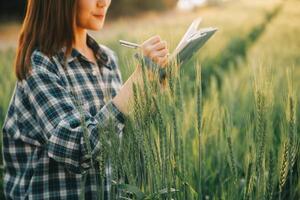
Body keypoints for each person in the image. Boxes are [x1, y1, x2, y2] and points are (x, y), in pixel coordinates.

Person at [1, 0, 169, 199]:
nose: (104, 2)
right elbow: (80, 148)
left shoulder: (107, 59)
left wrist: (149, 92)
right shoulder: (40, 65)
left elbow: (121, 139)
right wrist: (136, 82)